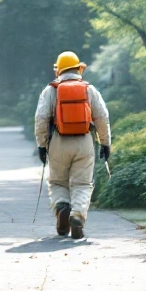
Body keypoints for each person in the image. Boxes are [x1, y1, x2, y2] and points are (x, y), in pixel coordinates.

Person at [34, 51, 111, 239]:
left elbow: (41, 119)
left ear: (58, 71)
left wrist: (42, 145)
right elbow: (102, 117)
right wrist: (105, 143)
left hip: (58, 142)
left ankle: (62, 207)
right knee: (83, 183)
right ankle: (77, 216)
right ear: (79, 69)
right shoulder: (89, 89)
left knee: (58, 181)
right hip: (84, 141)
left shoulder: (50, 90)